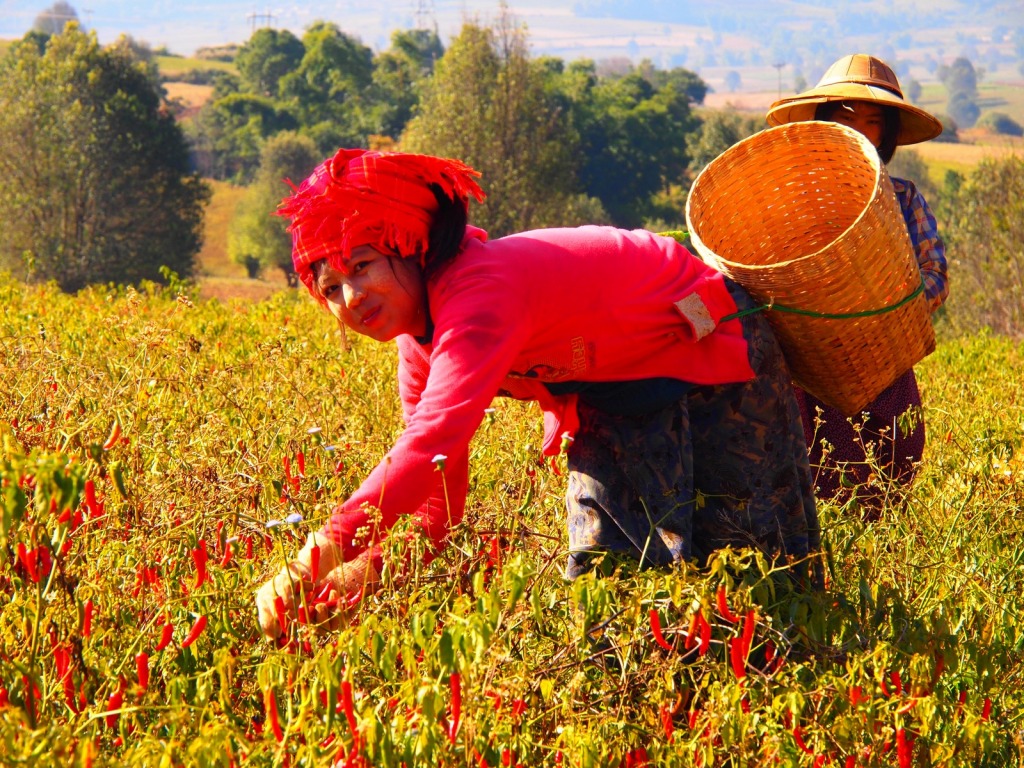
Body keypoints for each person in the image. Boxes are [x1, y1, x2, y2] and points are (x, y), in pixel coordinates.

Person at [254, 147, 821, 639]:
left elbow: (433, 442)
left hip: (710, 347)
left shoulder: (479, 289)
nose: (350, 297)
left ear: (412, 247)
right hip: (615, 390)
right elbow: (437, 492)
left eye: (362, 265)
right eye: (330, 286)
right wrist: (362, 578)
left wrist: (313, 559)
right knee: (607, 586)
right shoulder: (419, 344)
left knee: (750, 572)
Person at [766, 54, 949, 514]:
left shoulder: (903, 197)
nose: (860, 131)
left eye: (873, 121)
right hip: (808, 366)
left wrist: (887, 311)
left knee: (889, 477)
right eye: (845, 118)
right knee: (813, 481)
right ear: (824, 124)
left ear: (886, 133)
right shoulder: (796, 196)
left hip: (883, 362)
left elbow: (936, 275)